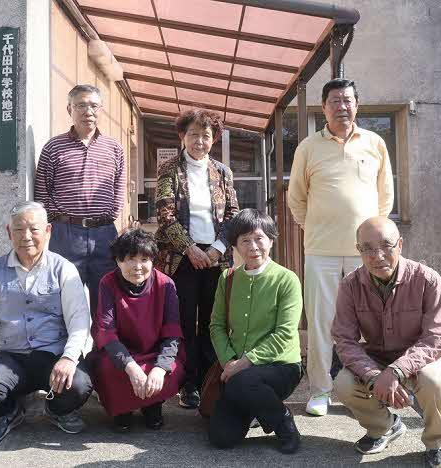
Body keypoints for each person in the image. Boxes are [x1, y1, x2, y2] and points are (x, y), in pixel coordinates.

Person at [287, 78, 394, 416]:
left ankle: (368, 388)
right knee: (322, 324)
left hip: (367, 255)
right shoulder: (308, 147)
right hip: (321, 251)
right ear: (324, 107)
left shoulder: (375, 143)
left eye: (347, 100)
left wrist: (375, 242)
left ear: (357, 105)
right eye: (334, 101)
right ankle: (320, 391)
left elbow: (385, 196)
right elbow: (296, 198)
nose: (342, 106)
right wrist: (316, 227)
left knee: (371, 323)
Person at [332, 217, 441, 468]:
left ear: (400, 244)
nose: (377, 256)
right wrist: (374, 376)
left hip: (423, 356)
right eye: (367, 248)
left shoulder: (427, 279)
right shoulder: (350, 285)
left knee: (433, 381)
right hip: (378, 356)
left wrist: (397, 370)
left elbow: (439, 336)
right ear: (358, 250)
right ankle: (384, 427)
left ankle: (438, 443)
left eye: (386, 246)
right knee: (343, 383)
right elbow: (345, 340)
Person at [0, 201, 92, 444]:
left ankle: (56, 410)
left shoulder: (64, 269)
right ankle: (9, 412)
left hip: (53, 356)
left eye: (34, 229)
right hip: (12, 358)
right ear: (9, 232)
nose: (26, 237)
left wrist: (68, 358)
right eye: (19, 229)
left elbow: (79, 320)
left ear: (48, 231)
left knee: (79, 385)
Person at [155, 108, 239, 409]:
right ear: (182, 136)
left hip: (216, 257)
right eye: (193, 135)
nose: (199, 141)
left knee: (213, 321)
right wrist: (190, 248)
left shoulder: (223, 172)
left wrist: (217, 248)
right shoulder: (169, 169)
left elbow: (233, 214)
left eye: (205, 135)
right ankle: (187, 384)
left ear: (213, 139)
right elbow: (165, 214)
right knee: (184, 321)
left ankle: (209, 381)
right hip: (182, 258)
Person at [208, 209, 303, 454]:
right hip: (237, 371)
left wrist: (243, 364)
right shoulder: (227, 278)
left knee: (243, 382)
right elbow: (216, 325)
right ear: (235, 246)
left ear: (271, 240)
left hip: (281, 366)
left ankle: (283, 422)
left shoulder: (287, 279)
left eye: (259, 238)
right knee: (221, 437)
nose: (253, 247)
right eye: (245, 240)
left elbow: (284, 334)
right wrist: (229, 362)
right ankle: (257, 408)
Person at [34, 84, 125, 316]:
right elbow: (42, 191)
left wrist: (109, 217)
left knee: (106, 302)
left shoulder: (114, 148)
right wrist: (60, 220)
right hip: (66, 234)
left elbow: (119, 188)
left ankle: (102, 341)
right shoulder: (53, 147)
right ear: (69, 109)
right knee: (63, 299)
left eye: (94, 105)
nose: (88, 111)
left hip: (104, 235)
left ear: (101, 109)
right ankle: (67, 342)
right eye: (81, 105)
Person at [89, 229, 185, 432]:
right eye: (131, 259)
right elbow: (106, 332)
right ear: (118, 261)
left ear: (153, 261)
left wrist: (160, 368)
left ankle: (152, 404)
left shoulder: (166, 284)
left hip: (152, 353)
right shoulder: (107, 283)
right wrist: (130, 367)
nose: (138, 266)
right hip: (120, 354)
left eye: (144, 259)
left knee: (172, 368)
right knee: (106, 369)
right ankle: (122, 409)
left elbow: (172, 333)